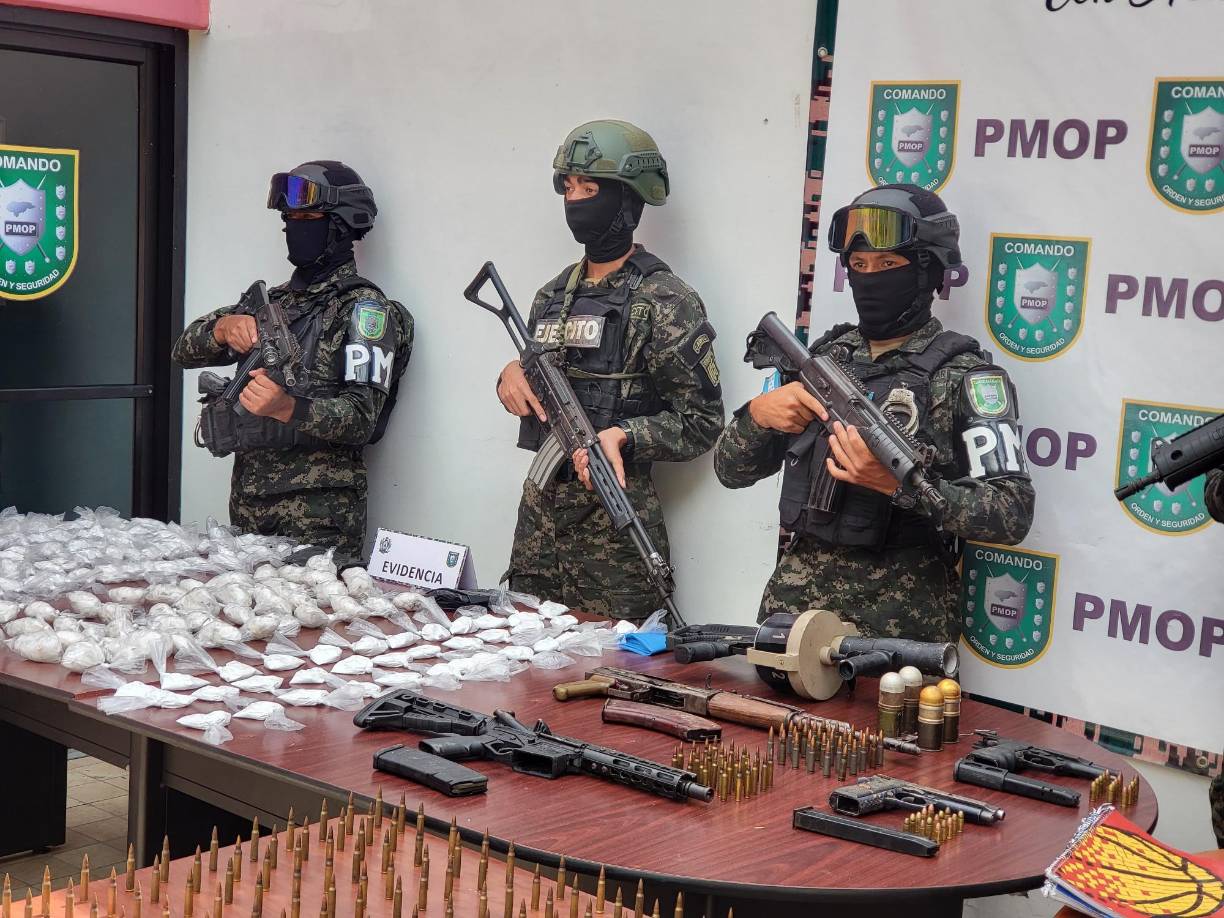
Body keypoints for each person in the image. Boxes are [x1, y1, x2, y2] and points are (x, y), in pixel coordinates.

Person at [714, 184, 1035, 642]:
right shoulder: (824, 359)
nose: (869, 278)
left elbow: (1012, 513)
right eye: (859, 266)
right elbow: (730, 471)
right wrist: (757, 417)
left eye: (887, 265)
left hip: (899, 628)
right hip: (793, 613)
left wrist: (901, 487)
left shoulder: (968, 378)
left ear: (926, 271)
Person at [496, 120, 724, 621]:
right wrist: (510, 374)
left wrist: (626, 434)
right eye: (569, 188)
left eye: (590, 188)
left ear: (628, 200)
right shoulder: (552, 295)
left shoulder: (663, 299)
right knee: (523, 656)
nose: (576, 200)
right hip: (540, 516)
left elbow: (703, 421)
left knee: (619, 669)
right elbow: (543, 372)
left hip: (617, 529)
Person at [172, 161, 413, 565]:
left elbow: (361, 419)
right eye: (289, 219)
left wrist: (287, 407)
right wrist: (222, 328)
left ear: (339, 225)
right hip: (249, 503)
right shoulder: (273, 305)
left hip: (319, 515)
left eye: (307, 218)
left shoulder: (363, 311)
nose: (294, 228)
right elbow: (182, 351)